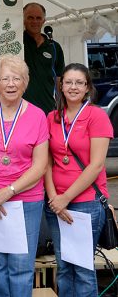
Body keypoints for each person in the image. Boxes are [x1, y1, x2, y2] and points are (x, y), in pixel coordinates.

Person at [0, 54, 49, 297]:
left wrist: (6, 192)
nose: (11, 84)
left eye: (17, 78)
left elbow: (40, 166)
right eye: (5, 78)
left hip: (25, 201)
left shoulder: (37, 115)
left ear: (25, 82)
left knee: (20, 266)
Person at [45, 63, 113, 297]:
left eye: (79, 83)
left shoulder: (97, 116)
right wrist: (54, 197)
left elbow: (95, 166)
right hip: (56, 202)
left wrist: (65, 198)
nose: (73, 87)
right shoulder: (52, 117)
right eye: (69, 82)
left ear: (87, 88)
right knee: (63, 266)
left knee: (82, 268)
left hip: (86, 202)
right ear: (61, 86)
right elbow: (47, 162)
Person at [23, 2, 65, 115]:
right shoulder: (17, 43)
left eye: (38, 18)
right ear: (23, 20)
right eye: (30, 18)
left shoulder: (54, 47)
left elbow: (59, 78)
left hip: (47, 109)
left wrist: (62, 104)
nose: (34, 21)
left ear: (44, 21)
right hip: (21, 110)